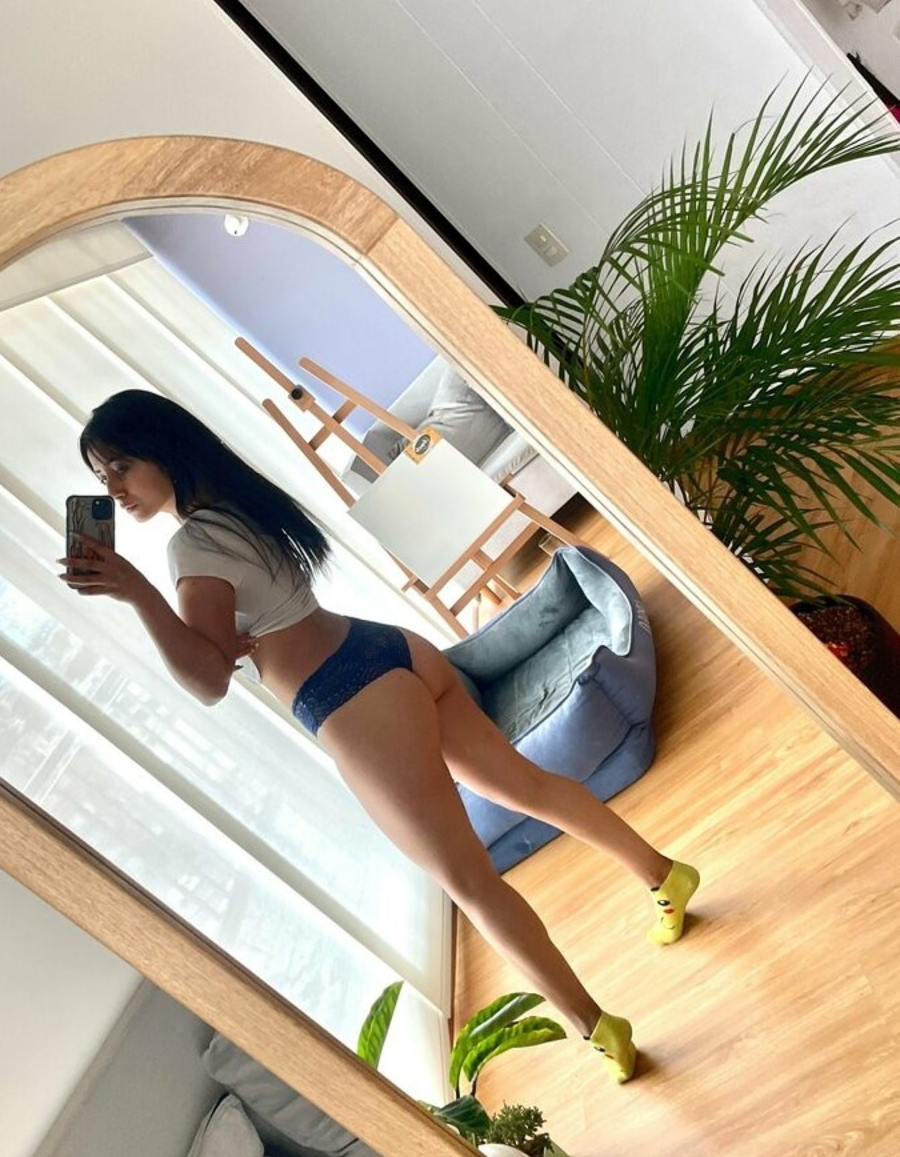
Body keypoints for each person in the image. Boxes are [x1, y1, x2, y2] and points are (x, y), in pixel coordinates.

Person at [58, 389, 700, 1083]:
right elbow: (236, 638)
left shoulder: (191, 545)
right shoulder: (239, 504)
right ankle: (664, 875)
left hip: (352, 704)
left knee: (472, 885)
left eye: (121, 466)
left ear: (164, 449)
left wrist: (137, 591)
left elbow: (208, 680)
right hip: (389, 650)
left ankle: (598, 1031)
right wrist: (215, 638)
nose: (113, 489)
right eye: (101, 477)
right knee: (529, 786)